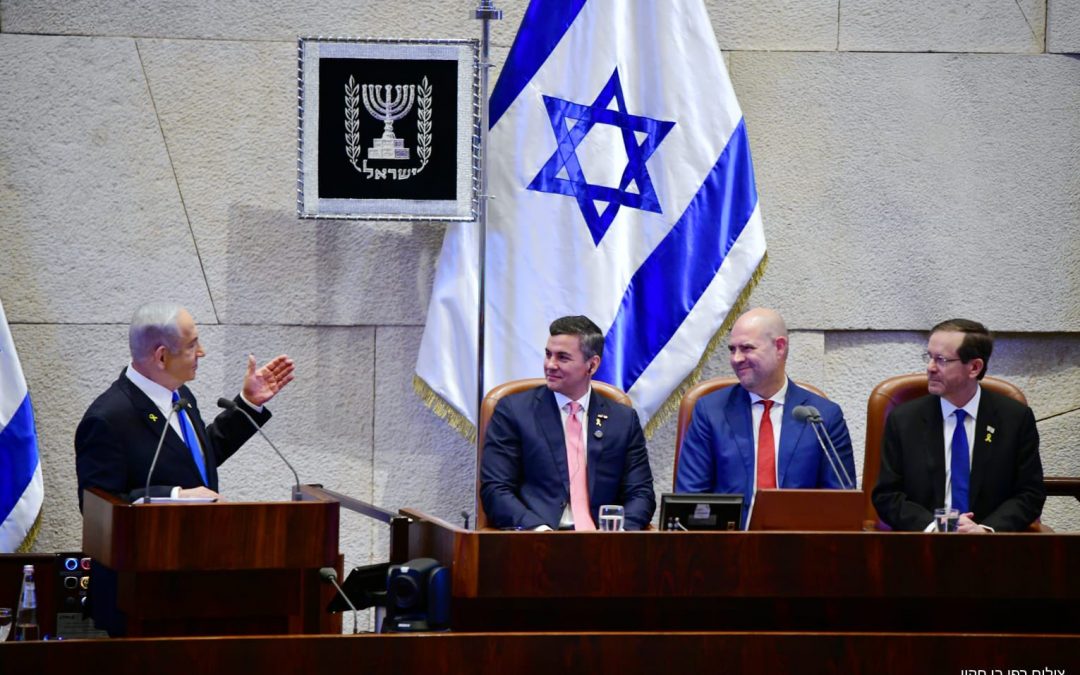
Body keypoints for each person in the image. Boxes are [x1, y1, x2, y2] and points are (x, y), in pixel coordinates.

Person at [75, 302, 295, 508]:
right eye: (192, 345)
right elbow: (96, 505)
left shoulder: (180, 395)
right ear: (162, 357)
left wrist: (248, 404)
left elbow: (195, 459)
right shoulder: (107, 419)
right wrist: (174, 496)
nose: (202, 351)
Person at [675, 308, 855, 529]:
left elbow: (840, 503)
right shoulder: (710, 412)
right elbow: (689, 499)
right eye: (732, 349)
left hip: (800, 549)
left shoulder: (822, 417)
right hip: (726, 549)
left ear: (779, 347)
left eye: (747, 348)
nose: (736, 359)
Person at [480, 315, 655, 530]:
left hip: (605, 543)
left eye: (562, 357)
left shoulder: (622, 419)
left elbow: (641, 494)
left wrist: (616, 533)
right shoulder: (514, 411)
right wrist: (538, 531)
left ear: (592, 365)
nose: (550, 365)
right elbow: (496, 490)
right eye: (548, 355)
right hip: (536, 541)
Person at [872, 319, 1044, 532]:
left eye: (941, 360)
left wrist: (986, 529)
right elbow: (887, 495)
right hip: (923, 547)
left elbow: (1030, 494)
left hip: (991, 548)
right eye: (929, 357)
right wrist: (940, 526)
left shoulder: (1014, 419)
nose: (930, 368)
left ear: (974, 367)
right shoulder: (904, 420)